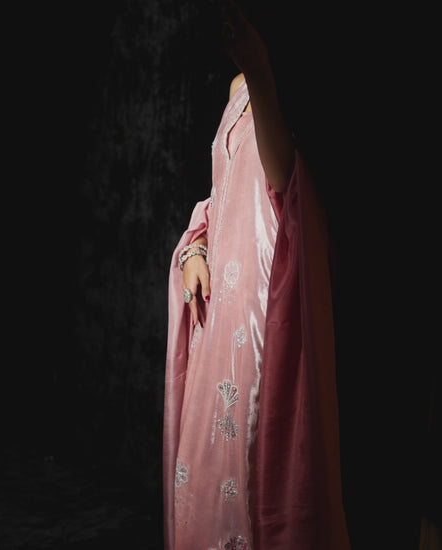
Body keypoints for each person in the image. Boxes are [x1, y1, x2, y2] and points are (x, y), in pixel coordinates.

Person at [162, 2, 351, 549]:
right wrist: (194, 249)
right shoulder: (237, 85)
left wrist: (262, 68)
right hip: (220, 317)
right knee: (204, 473)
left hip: (262, 309)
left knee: (251, 472)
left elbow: (284, 181)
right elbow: (222, 192)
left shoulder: (288, 79)